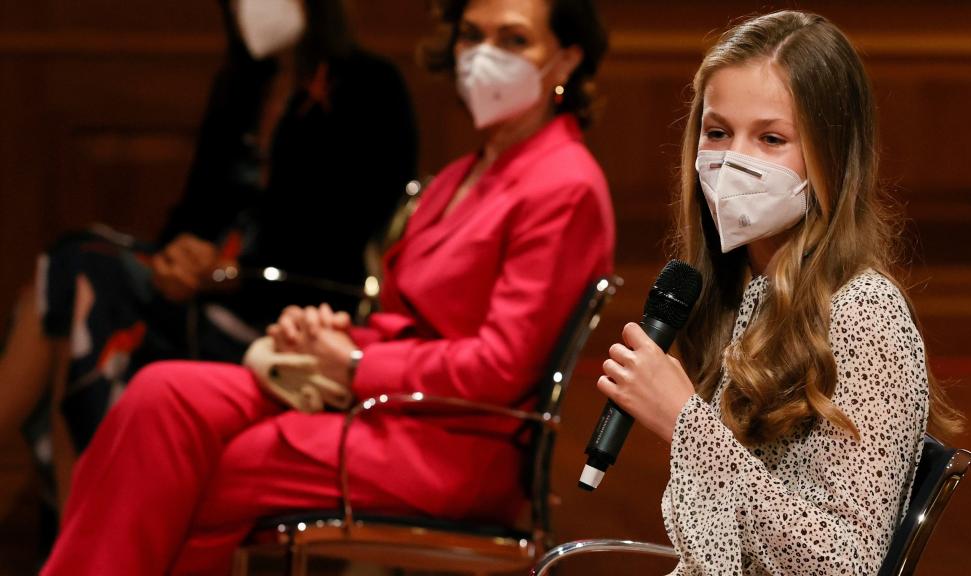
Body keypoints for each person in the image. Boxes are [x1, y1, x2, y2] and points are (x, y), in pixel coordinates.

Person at [41, 0, 613, 573]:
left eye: (514, 40)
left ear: (564, 60)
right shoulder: (467, 171)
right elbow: (407, 320)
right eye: (471, 35)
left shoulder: (563, 185)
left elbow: (500, 367)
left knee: (219, 467)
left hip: (452, 444)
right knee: (159, 397)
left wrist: (355, 361)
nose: (484, 55)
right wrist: (325, 337)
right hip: (384, 406)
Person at [0, 0, 417, 514]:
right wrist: (179, 256)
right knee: (72, 266)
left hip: (287, 314)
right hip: (200, 294)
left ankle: (76, 532)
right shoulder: (242, 85)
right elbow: (194, 212)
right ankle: (81, 532)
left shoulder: (370, 87)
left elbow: (342, 238)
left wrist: (226, 275)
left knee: (78, 283)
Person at [596, 11, 962, 575]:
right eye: (717, 133)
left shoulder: (866, 314)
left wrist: (685, 424)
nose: (734, 161)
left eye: (771, 139)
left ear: (833, 158)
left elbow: (849, 564)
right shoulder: (740, 295)